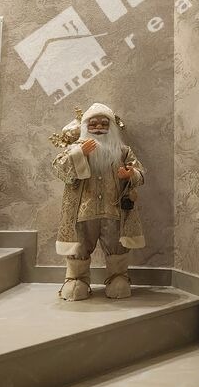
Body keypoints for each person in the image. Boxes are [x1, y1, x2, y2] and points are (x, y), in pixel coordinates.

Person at [51, 102, 145, 301]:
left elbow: (140, 173)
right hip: (82, 211)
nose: (99, 128)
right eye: (93, 124)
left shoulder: (122, 151)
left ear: (112, 127)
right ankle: (76, 279)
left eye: (104, 124)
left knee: (116, 242)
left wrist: (130, 174)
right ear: (85, 126)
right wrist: (80, 154)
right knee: (80, 242)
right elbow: (59, 169)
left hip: (114, 209)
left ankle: (118, 277)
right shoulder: (75, 148)